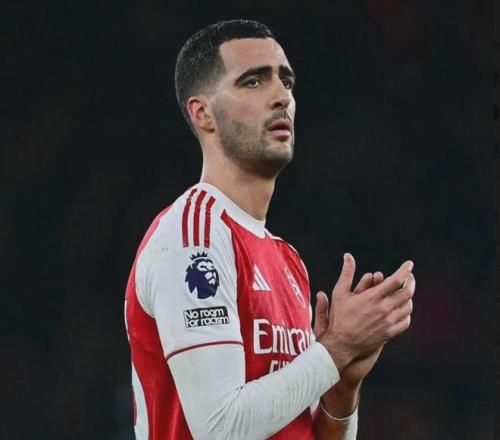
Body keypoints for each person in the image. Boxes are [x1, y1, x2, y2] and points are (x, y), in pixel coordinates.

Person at [124, 19, 415, 440]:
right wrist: (337, 348)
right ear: (203, 113)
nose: (282, 97)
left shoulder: (287, 260)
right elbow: (220, 428)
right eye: (254, 81)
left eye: (286, 81)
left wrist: (342, 387)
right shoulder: (192, 237)